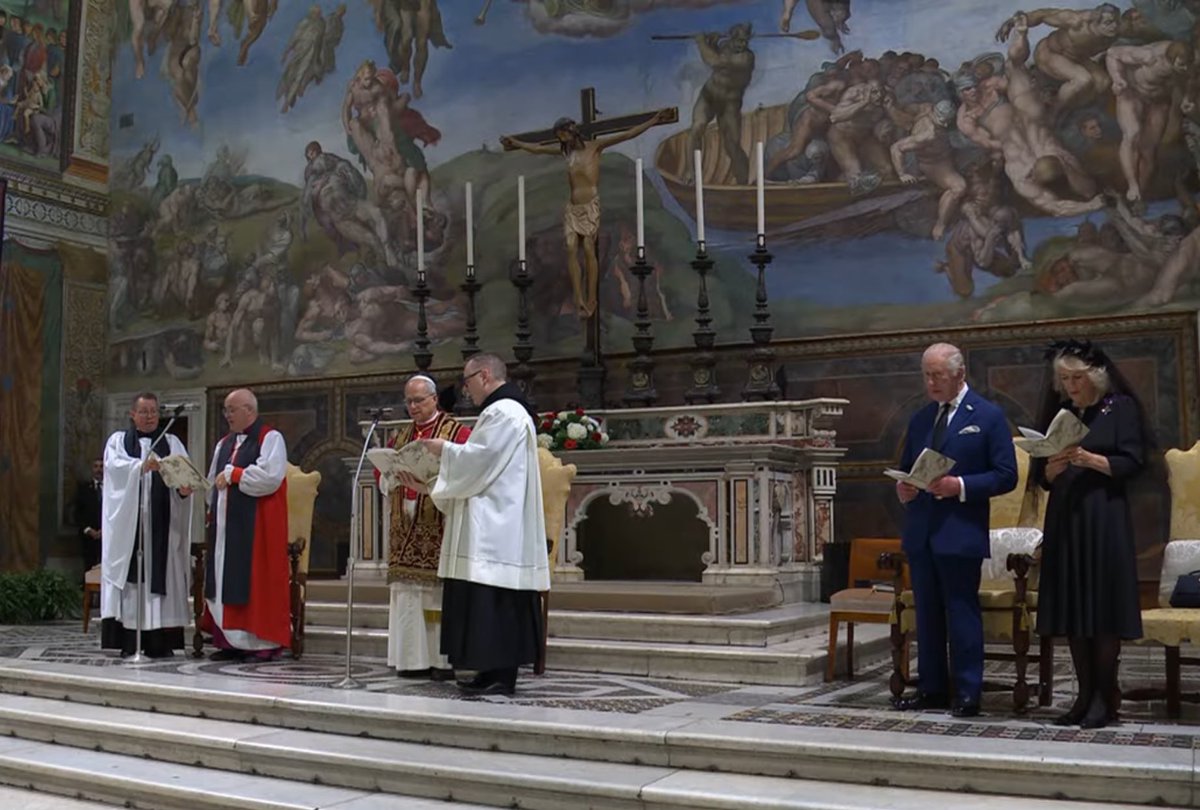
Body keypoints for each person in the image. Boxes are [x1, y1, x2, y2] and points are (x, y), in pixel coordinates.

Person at [894, 343, 1018, 717]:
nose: (930, 383)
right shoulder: (920, 419)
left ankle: (967, 691)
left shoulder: (988, 415)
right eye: (926, 375)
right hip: (922, 531)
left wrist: (959, 486)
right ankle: (931, 688)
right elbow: (906, 468)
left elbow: (1006, 475)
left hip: (959, 531)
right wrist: (904, 489)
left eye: (937, 376)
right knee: (928, 616)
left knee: (962, 613)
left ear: (959, 374)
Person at [1030, 340, 1149, 729]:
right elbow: (1041, 478)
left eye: (1077, 378)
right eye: (1064, 380)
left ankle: (1104, 697)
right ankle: (1082, 696)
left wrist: (1089, 459)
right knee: (1074, 609)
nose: (1071, 387)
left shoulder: (1120, 408)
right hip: (1065, 517)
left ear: (1095, 375)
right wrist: (1053, 468)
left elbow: (1133, 461)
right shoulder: (1063, 412)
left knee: (1101, 610)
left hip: (1103, 517)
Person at [417, 353, 549, 696]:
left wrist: (442, 449)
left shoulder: (503, 411)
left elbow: (480, 460)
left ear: (485, 375)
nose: (465, 389)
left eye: (468, 380)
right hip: (494, 517)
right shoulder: (504, 410)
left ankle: (500, 675)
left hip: (495, 525)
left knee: (493, 599)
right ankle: (489, 670)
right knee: (485, 600)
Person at [378, 374, 470, 679]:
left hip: (440, 520)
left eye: (419, 400)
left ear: (434, 399)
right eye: (409, 401)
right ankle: (410, 660)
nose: (413, 407)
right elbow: (385, 479)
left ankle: (440, 662)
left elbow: (467, 475)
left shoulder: (457, 433)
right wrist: (391, 474)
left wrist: (428, 483)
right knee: (407, 592)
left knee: (435, 595)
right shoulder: (401, 437)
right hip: (404, 522)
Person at [100, 393, 194, 657]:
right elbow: (115, 469)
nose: (150, 416)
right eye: (144, 412)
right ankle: (131, 641)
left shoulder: (172, 442)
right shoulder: (118, 441)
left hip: (162, 524)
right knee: (134, 577)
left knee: (161, 574)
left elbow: (183, 475)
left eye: (154, 411)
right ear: (132, 414)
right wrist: (140, 467)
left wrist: (185, 490)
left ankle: (159, 641)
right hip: (132, 527)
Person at [204, 388, 291, 661]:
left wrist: (235, 474)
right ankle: (229, 642)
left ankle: (260, 643)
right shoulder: (223, 444)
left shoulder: (270, 438)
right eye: (226, 410)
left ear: (250, 410)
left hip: (256, 527)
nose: (227, 415)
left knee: (254, 580)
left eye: (232, 409)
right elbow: (212, 481)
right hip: (225, 527)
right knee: (223, 578)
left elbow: (270, 478)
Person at [75, 457, 104, 570]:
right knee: (88, 567)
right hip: (88, 537)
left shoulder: (112, 489)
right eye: (96, 466)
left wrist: (104, 530)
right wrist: (88, 530)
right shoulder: (84, 489)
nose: (99, 469)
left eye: (101, 466)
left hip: (107, 537)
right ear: (92, 469)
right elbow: (78, 513)